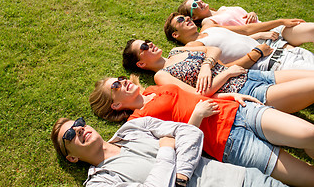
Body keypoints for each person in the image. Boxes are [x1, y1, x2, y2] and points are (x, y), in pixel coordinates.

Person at [89, 76, 314, 186]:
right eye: (115, 87)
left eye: (119, 79)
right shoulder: (138, 123)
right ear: (116, 105)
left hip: (238, 111)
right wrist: (196, 116)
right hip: (228, 144)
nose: (122, 82)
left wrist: (227, 95)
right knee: (308, 178)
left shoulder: (154, 88)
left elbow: (195, 95)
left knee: (309, 134)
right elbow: (176, 147)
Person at [51, 116, 289, 186]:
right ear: (72, 157)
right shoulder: (99, 183)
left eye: (78, 123)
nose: (79, 129)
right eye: (70, 135)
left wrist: (181, 178)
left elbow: (189, 133)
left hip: (243, 179)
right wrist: (166, 149)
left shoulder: (133, 127)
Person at [121, 39, 314, 113]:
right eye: (144, 47)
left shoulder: (177, 50)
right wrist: (227, 73)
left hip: (253, 75)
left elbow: (214, 49)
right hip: (244, 91)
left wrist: (207, 65)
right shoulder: (162, 76)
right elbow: (198, 95)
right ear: (141, 63)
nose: (149, 44)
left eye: (146, 41)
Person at [164, 13, 314, 71]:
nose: (188, 19)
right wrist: (256, 54)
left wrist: (280, 21)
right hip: (274, 64)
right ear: (175, 34)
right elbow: (221, 70)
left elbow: (247, 30)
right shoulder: (193, 47)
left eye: (187, 17)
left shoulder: (210, 27)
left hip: (286, 51)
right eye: (181, 20)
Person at [177, 0, 314, 46]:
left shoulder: (224, 8)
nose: (198, 2)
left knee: (311, 30)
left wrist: (251, 14)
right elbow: (240, 33)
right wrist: (279, 21)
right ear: (194, 17)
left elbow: (244, 19)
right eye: (194, 6)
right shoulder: (208, 23)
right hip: (263, 40)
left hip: (272, 29)